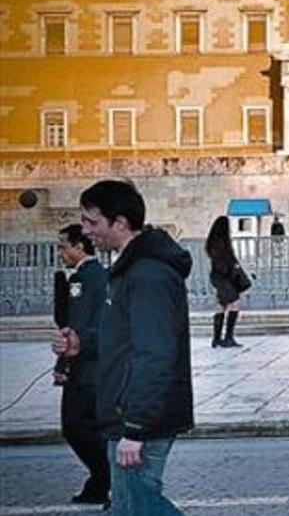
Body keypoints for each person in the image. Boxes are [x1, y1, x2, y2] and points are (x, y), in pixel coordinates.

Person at [58, 180, 193, 515]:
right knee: (128, 507)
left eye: (92, 222)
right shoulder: (127, 268)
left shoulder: (148, 274)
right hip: (127, 411)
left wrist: (136, 428)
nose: (86, 231)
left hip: (139, 418)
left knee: (138, 508)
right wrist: (81, 344)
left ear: (119, 223)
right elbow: (120, 337)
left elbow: (155, 354)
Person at [50, 224, 110, 507]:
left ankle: (105, 476)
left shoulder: (86, 279)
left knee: (75, 426)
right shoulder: (92, 276)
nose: (60, 251)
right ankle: (100, 482)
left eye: (64, 246)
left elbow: (79, 327)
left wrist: (67, 358)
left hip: (87, 366)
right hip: (88, 362)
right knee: (88, 426)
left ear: (80, 247)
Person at [205, 215, 251, 348]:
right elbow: (224, 262)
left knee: (222, 304)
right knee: (235, 303)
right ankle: (228, 337)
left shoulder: (212, 242)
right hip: (223, 277)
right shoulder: (221, 243)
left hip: (218, 277)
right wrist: (233, 268)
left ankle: (217, 338)